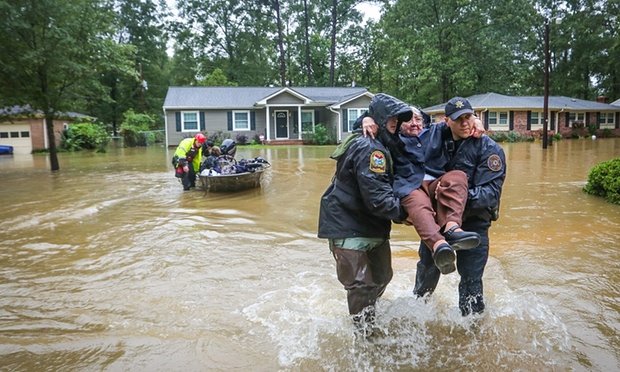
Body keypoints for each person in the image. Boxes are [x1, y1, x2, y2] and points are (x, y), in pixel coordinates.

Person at [317, 93, 412, 335]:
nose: (396, 123)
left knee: (382, 277)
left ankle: (367, 318)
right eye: (392, 119)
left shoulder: (387, 142)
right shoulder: (372, 150)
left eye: (398, 120)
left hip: (372, 227)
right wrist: (406, 214)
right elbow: (378, 198)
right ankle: (364, 339)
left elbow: (425, 130)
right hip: (348, 224)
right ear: (380, 120)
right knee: (361, 285)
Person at [412, 97, 506, 316]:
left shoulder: (490, 150)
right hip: (438, 224)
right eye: (458, 119)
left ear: (475, 117)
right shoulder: (435, 137)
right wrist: (367, 119)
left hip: (474, 225)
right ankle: (418, 316)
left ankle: (472, 331)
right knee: (426, 273)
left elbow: (490, 194)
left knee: (471, 281)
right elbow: (403, 127)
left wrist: (448, 197)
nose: (465, 123)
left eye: (468, 117)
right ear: (447, 121)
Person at [361, 108, 482, 275]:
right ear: (399, 124)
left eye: (418, 119)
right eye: (409, 120)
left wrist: (475, 120)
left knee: (458, 177)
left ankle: (452, 229)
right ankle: (439, 246)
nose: (414, 123)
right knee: (417, 203)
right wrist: (366, 118)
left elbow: (456, 121)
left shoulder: (435, 131)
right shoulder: (392, 139)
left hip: (435, 183)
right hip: (410, 185)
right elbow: (367, 125)